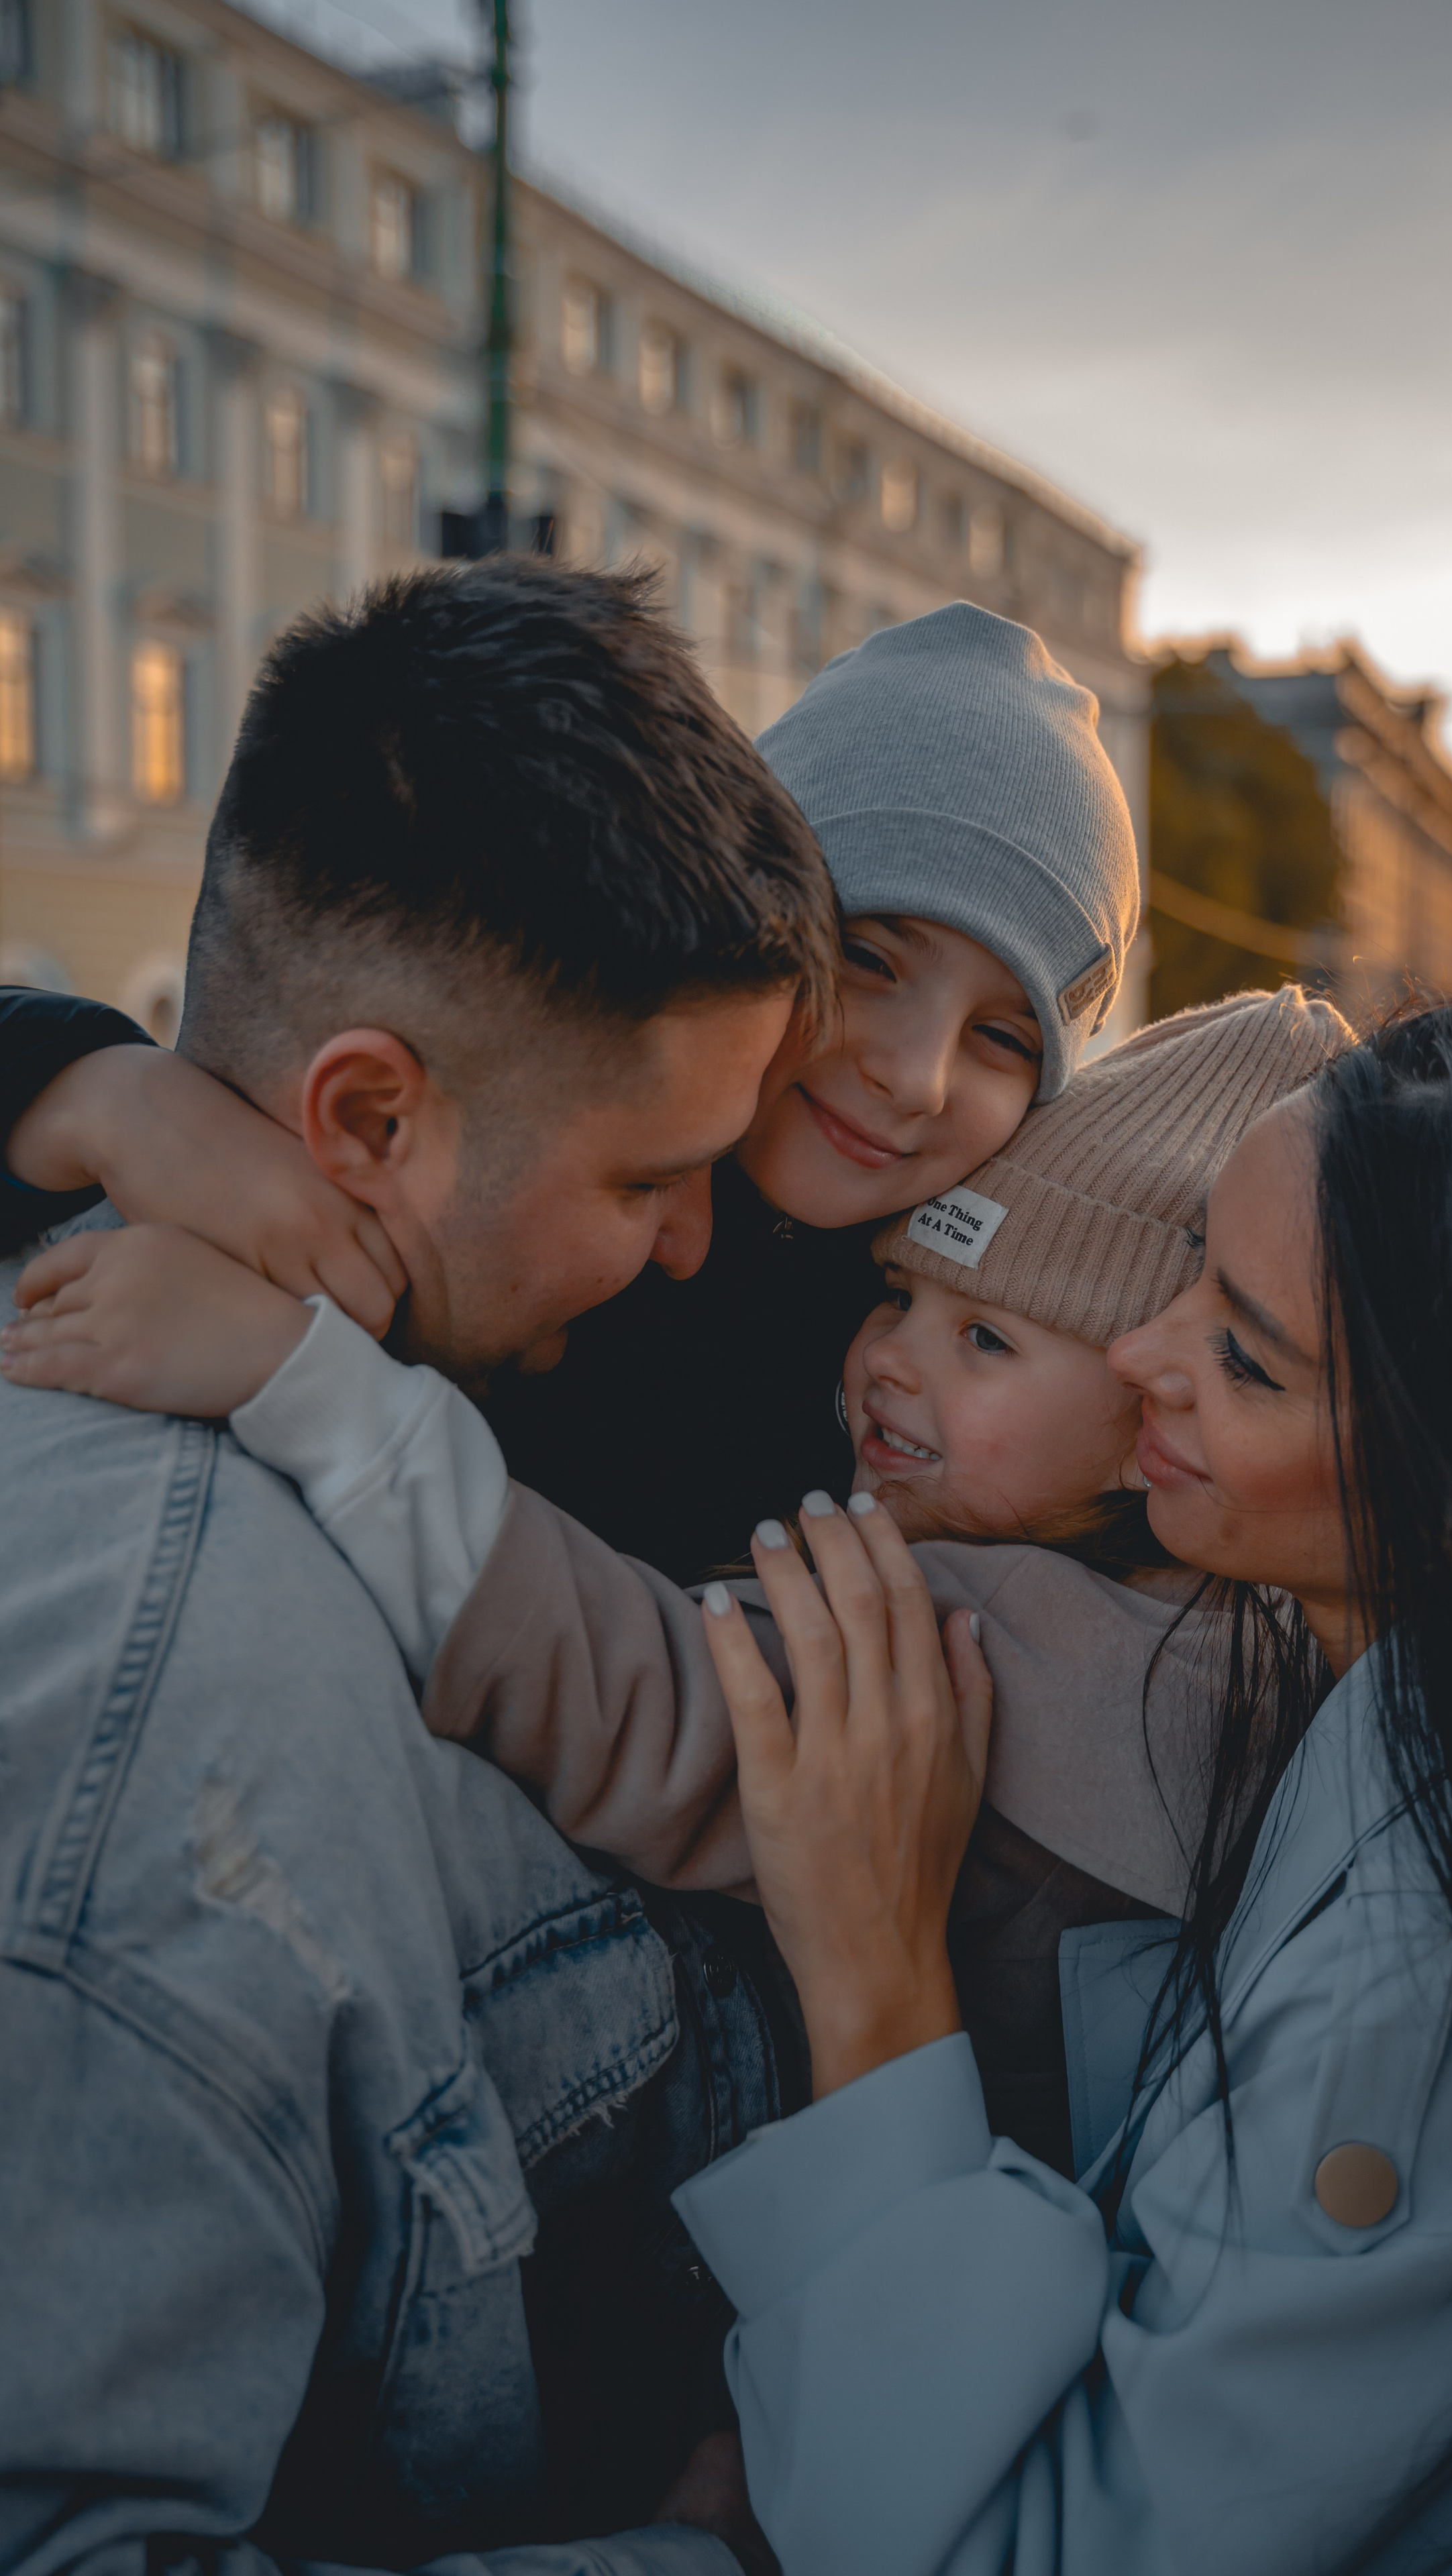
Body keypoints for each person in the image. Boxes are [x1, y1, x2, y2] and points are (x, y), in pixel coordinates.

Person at [0, 556, 845, 2576]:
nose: (694, 1246)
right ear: (368, 1114)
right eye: (652, 1180)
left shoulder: (353, 1356)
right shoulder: (172, 1723)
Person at [665, 996, 1452, 2573]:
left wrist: (875, 1985)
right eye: (1188, 1282)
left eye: (1240, 1353)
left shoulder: (1413, 1997)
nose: (1140, 1357)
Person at [3, 989, 1348, 2182]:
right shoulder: (1175, 1616)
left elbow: (642, 1692)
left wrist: (304, 1383)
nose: (889, 1360)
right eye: (897, 1298)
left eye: (985, 1338)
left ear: (1147, 1423)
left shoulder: (1014, 1647)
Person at [1, 602, 1139, 1579]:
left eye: (1005, 1036)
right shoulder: (469, 1150)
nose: (915, 1074)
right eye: (871, 959)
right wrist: (91, 1087)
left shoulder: (981, 1309)